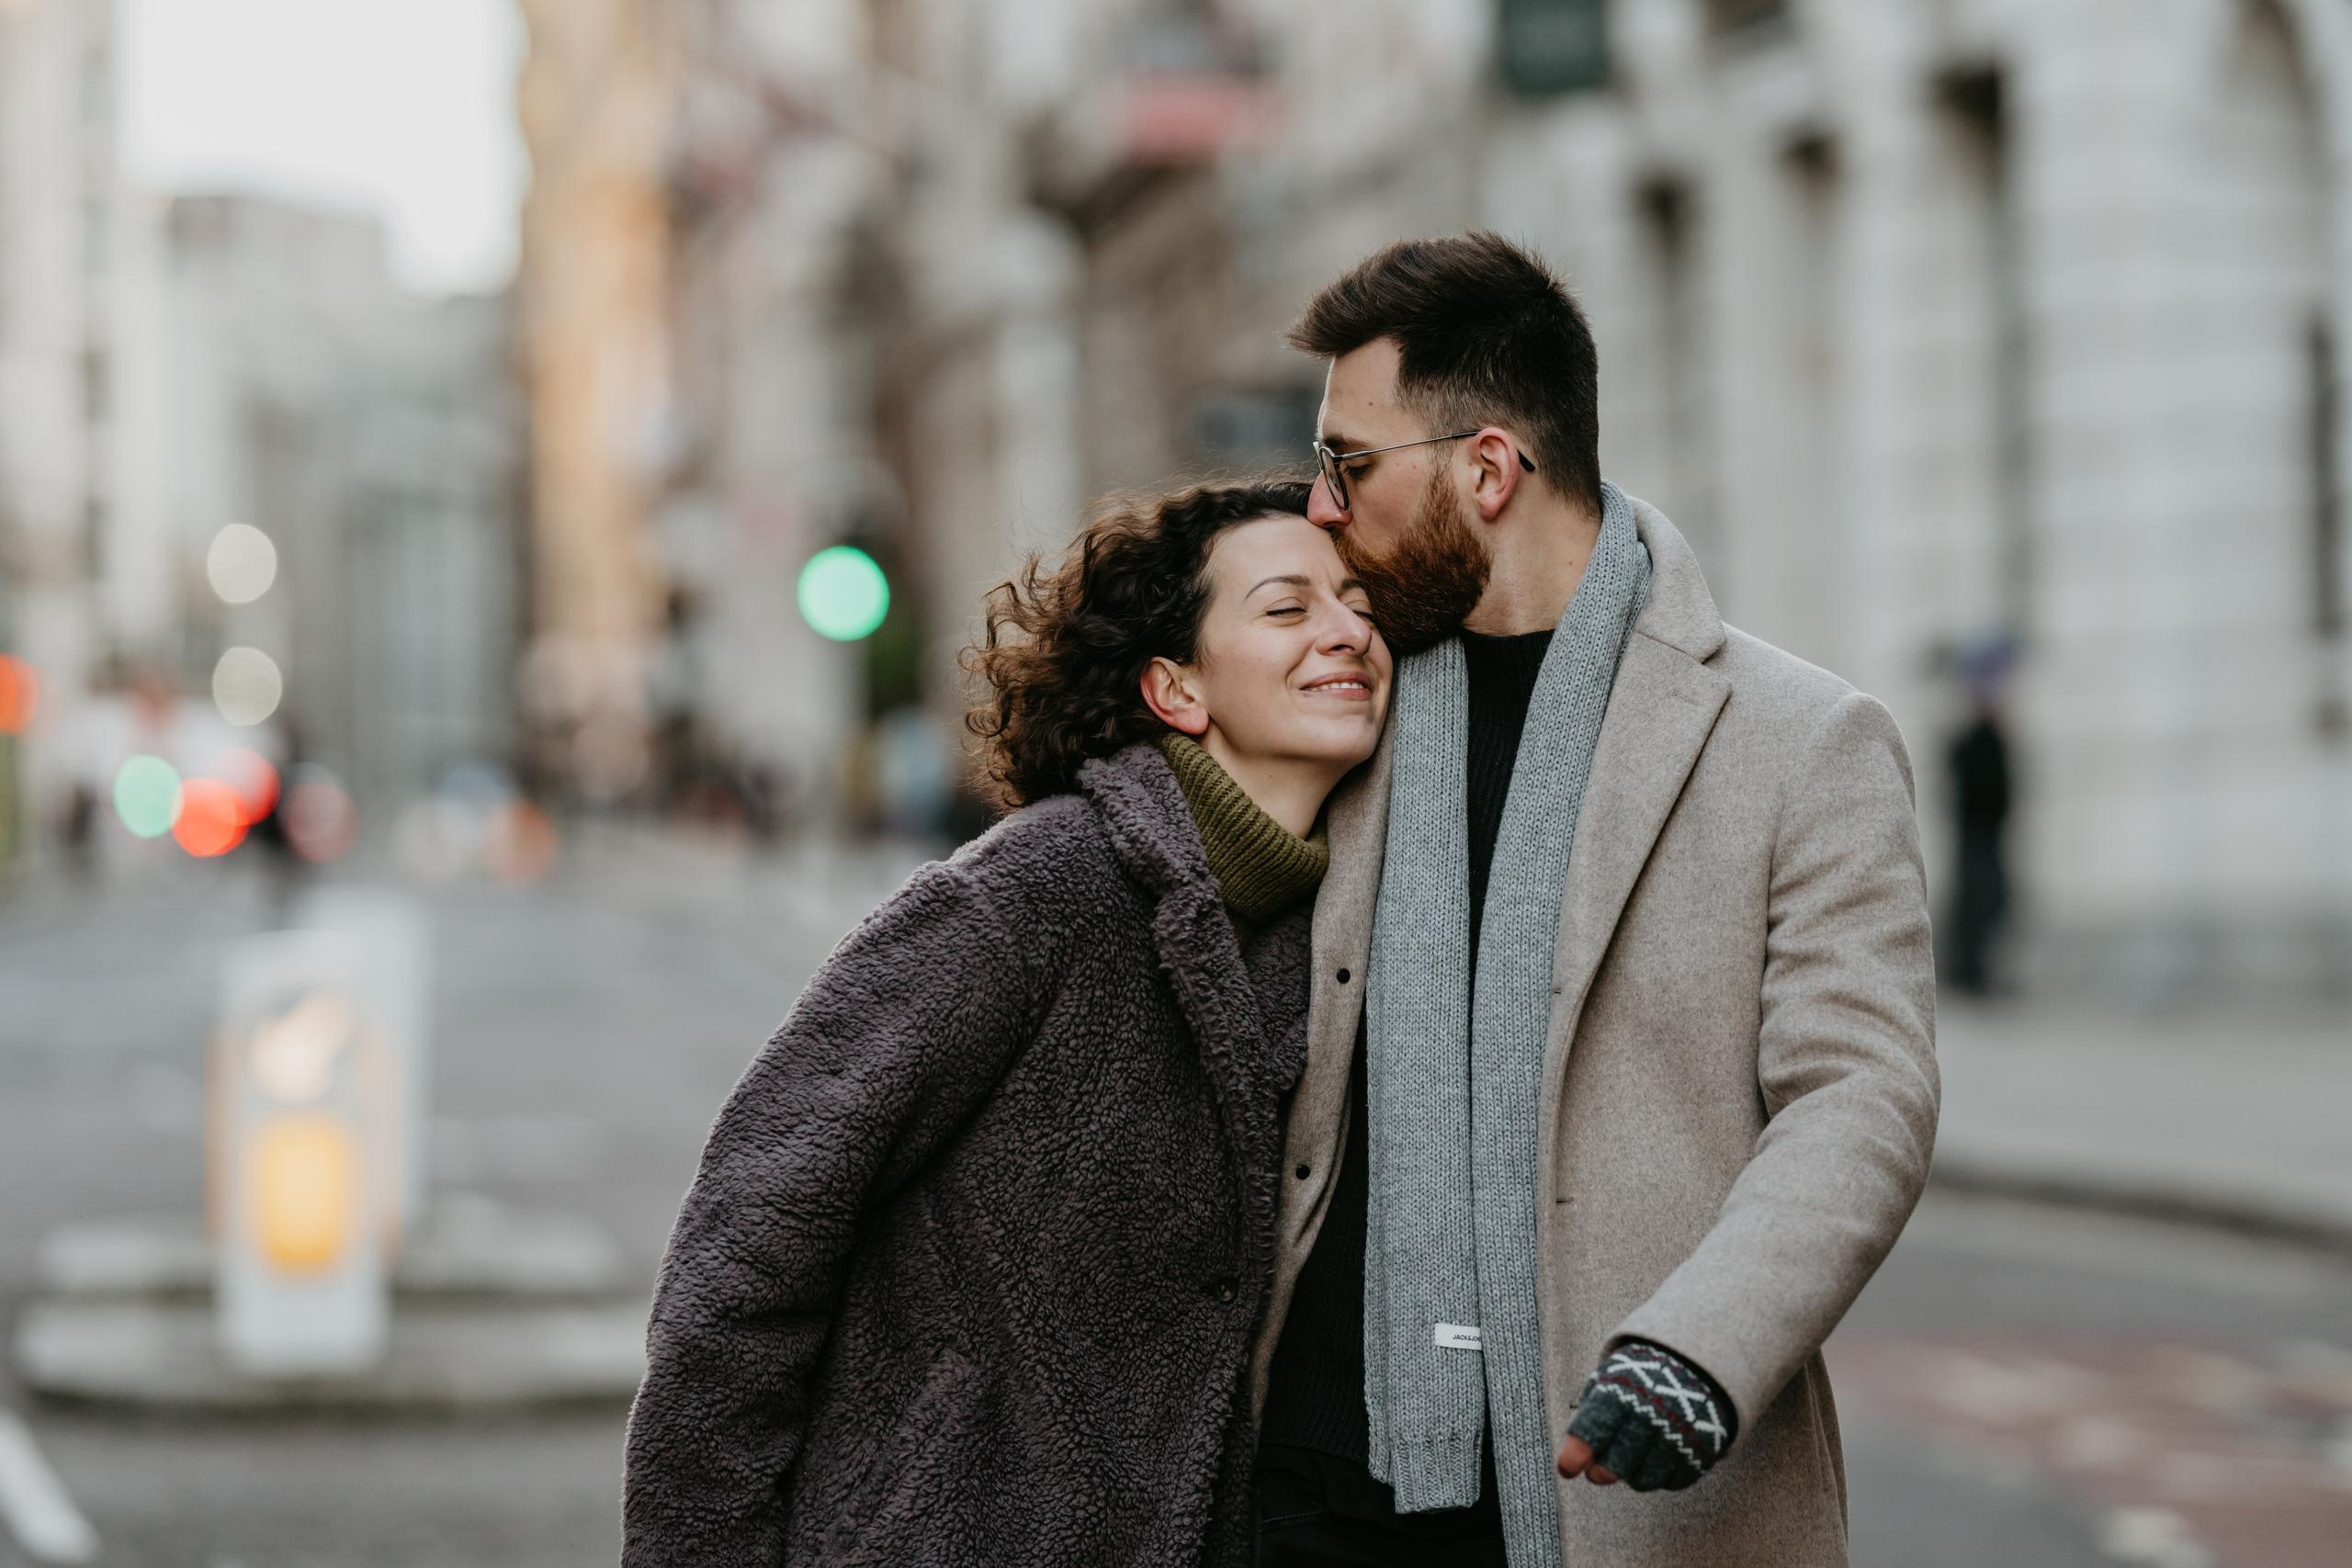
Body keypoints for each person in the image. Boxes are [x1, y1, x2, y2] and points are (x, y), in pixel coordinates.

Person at [1252, 233, 1939, 1567]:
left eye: (1348, 464)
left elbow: (1862, 1093)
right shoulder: (1330, 708)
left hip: (1621, 1481)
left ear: (1489, 469)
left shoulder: (1798, 740)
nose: (1320, 505)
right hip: (1311, 1491)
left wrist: (1701, 1345)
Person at [621, 479, 1392, 1568]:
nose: (1348, 631)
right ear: (1175, 687)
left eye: (1359, 600)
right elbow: (752, 1232)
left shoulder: (1326, 939)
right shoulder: (1033, 894)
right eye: (1286, 609)